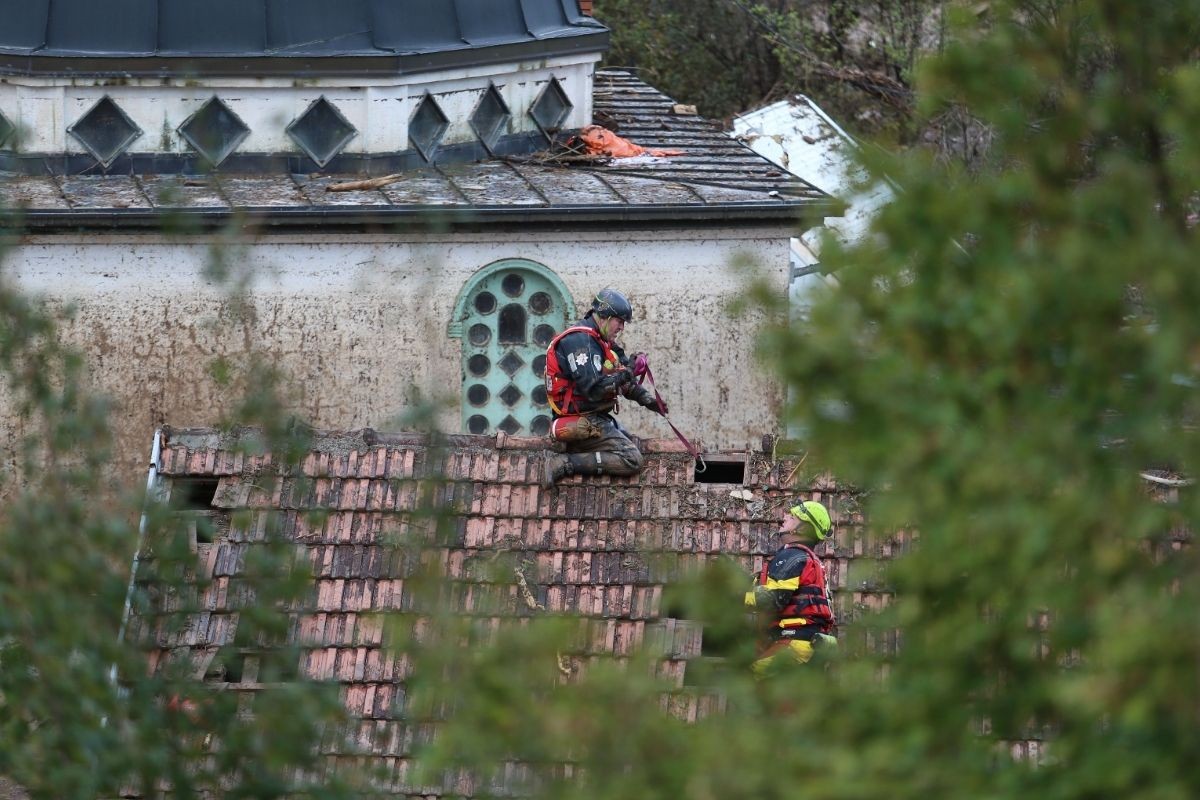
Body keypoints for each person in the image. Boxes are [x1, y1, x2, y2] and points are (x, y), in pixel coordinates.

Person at [542, 288, 665, 487]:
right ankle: (564, 463)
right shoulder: (579, 341)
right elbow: (594, 390)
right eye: (620, 321)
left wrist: (647, 399)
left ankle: (578, 452)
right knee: (632, 458)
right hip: (581, 420)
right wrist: (629, 371)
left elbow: (622, 377)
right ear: (605, 317)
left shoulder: (603, 342)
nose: (622, 327)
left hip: (596, 417)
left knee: (631, 439)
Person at [744, 500, 838, 674]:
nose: (785, 516)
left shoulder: (792, 555)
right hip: (809, 643)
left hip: (794, 642)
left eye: (793, 517)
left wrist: (738, 597)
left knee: (749, 682)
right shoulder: (807, 559)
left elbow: (773, 600)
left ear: (803, 529)